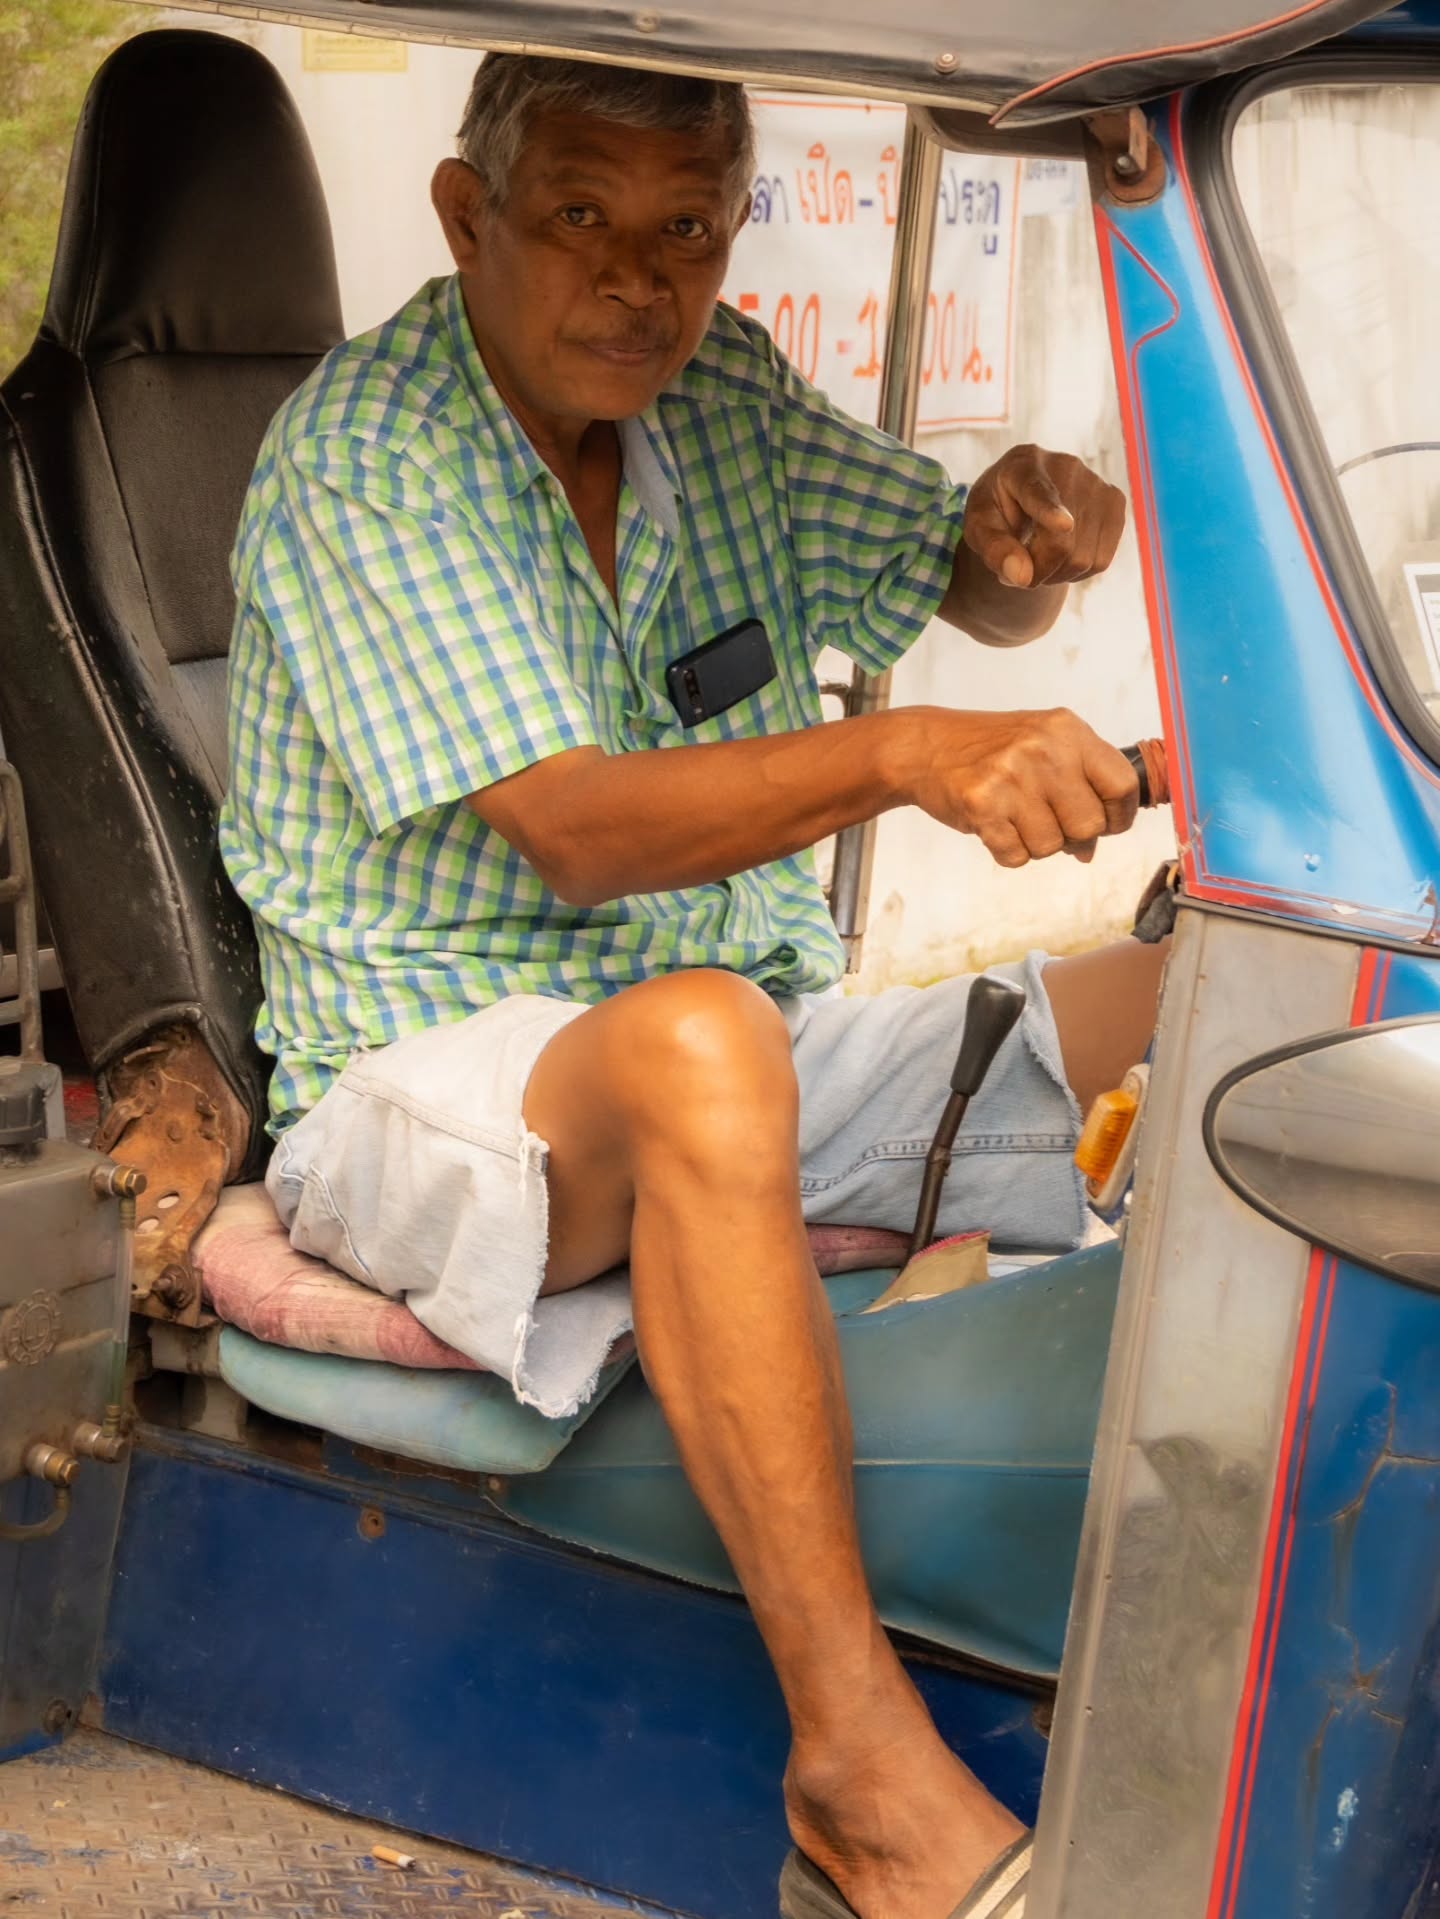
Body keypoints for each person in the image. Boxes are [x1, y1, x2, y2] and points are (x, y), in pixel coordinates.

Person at [220, 53, 1166, 1919]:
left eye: (686, 230)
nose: (638, 280)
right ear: (466, 215)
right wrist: (909, 760)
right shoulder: (366, 454)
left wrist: (1025, 542)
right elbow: (577, 834)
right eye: (579, 217)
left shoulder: (707, 391)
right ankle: (859, 1774)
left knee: (1207, 993)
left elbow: (948, 577)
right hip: (423, 1079)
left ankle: (1230, 1598)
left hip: (726, 1022)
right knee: (707, 1050)